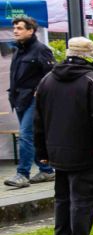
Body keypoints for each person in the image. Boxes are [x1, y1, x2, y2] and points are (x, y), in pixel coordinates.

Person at [34, 37, 93, 235]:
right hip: (83, 150)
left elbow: (38, 120)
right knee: (82, 199)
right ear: (90, 55)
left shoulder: (47, 80)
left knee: (63, 197)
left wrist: (41, 151)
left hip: (56, 150)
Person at [4, 16, 55, 188]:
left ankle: (22, 174)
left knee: (25, 135)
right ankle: (46, 169)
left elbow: (51, 75)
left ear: (31, 30)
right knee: (30, 136)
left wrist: (38, 92)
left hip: (34, 99)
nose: (15, 31)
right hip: (19, 98)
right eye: (15, 28)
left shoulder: (41, 49)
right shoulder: (18, 50)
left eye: (19, 28)